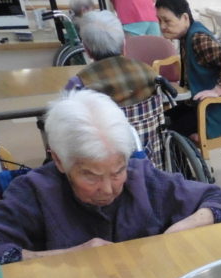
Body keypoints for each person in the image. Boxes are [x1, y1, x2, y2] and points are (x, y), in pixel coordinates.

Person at [0, 90, 221, 263]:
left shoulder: (141, 177)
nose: (108, 188)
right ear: (58, 160)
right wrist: (67, 257)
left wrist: (180, 229)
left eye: (117, 171)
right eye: (90, 176)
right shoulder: (34, 191)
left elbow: (220, 201)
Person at [64, 10, 165, 166]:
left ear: (87, 49)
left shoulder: (79, 84)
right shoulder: (148, 72)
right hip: (150, 160)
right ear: (124, 44)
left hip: (105, 169)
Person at [155, 0, 221, 138]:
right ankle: (176, 159)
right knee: (159, 121)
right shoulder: (186, 36)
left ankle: (177, 158)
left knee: (168, 132)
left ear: (185, 18)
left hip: (214, 110)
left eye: (167, 21)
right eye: (159, 20)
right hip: (199, 105)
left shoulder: (197, 38)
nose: (162, 26)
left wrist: (217, 90)